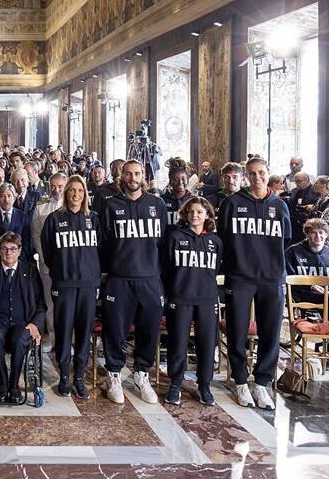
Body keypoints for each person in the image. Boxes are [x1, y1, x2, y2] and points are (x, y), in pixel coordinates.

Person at [217, 157, 291, 410]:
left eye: (261, 172)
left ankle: (262, 382)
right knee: (237, 332)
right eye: (252, 173)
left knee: (270, 333)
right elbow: (223, 239)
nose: (257, 177)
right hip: (240, 276)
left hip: (271, 278)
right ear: (246, 177)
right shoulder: (232, 203)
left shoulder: (280, 206)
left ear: (268, 173)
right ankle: (239, 380)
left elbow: (287, 241)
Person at [99, 159, 168, 405]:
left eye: (137, 173)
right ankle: (114, 374)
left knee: (148, 329)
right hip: (119, 278)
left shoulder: (157, 205)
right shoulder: (110, 205)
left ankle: (141, 373)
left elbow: (163, 243)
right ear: (121, 177)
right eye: (128, 174)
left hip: (150, 278)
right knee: (115, 330)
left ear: (143, 176)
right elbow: (104, 241)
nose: (132, 178)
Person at [41, 175, 100, 399]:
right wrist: (60, 271)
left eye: (80, 191)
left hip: (87, 285)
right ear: (66, 193)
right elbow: (47, 252)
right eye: (72, 190)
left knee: (84, 333)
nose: (76, 195)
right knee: (64, 331)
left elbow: (100, 250)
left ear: (85, 194)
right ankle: (65, 376)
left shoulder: (93, 219)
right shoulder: (54, 219)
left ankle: (79, 378)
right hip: (64, 284)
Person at [162, 196, 221, 406]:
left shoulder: (215, 241)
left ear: (207, 215)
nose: (195, 215)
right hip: (180, 297)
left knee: (206, 344)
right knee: (178, 343)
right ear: (185, 215)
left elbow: (216, 270)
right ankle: (175, 384)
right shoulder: (175, 237)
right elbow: (166, 267)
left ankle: (204, 385)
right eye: (191, 212)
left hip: (207, 299)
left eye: (200, 212)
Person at [0, 231, 45, 403]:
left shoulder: (30, 270)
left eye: (13, 249)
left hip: (22, 322)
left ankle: (14, 384)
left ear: (20, 251)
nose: (9, 253)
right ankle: (3, 382)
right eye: (5, 249)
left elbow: (40, 304)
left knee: (20, 338)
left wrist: (35, 324)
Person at [285, 219, 329, 342]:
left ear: (326, 235)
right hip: (304, 293)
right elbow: (288, 277)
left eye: (321, 232)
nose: (318, 236)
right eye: (313, 232)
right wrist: (310, 286)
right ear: (307, 234)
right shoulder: (293, 252)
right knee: (328, 299)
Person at [31, 172, 68, 353]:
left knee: (68, 303)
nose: (56, 190)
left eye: (60, 186)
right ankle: (53, 339)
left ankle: (68, 341)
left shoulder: (72, 206)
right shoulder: (42, 208)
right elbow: (36, 235)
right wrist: (44, 256)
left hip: (69, 264)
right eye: (53, 186)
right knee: (50, 303)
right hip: (47, 262)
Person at [287, 172, 318, 244]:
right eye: (295, 181)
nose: (297, 183)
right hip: (294, 222)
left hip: (307, 222)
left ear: (307, 180)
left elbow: (316, 205)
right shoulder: (294, 191)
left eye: (299, 181)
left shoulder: (315, 190)